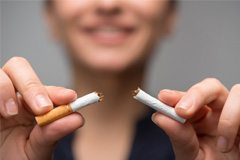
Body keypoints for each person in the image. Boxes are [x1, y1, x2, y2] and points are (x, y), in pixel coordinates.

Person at [1, 0, 239, 160]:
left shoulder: (208, 144)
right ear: (50, 16)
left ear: (170, 15)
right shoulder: (12, 135)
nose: (108, 4)